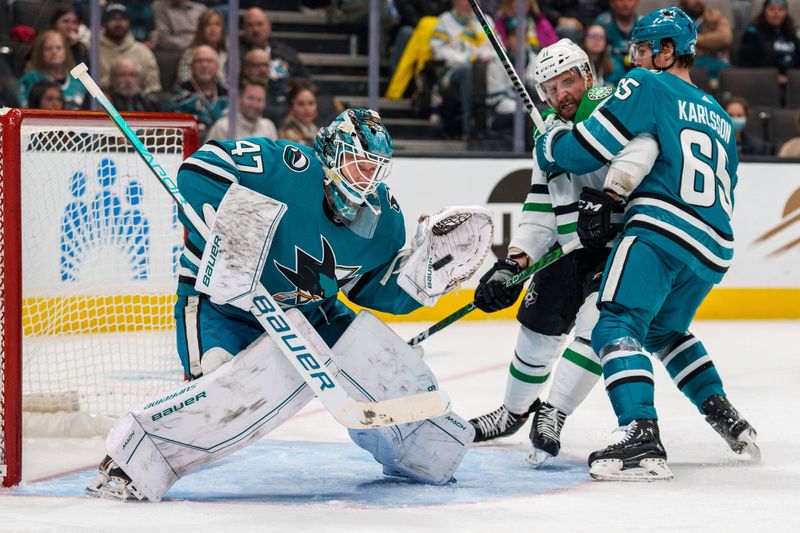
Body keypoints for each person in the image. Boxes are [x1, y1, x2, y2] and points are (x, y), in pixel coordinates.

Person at [86, 108, 488, 501]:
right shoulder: (286, 166)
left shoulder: (383, 220)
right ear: (331, 152)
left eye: (375, 169)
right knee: (222, 387)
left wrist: (420, 283)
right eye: (356, 163)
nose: (365, 179)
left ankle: (423, 449)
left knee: (383, 366)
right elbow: (200, 168)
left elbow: (369, 290)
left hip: (315, 313)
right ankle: (130, 461)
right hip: (226, 305)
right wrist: (230, 228)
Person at [535, 6, 759, 481]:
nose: (635, 60)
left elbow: (580, 153)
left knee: (614, 323)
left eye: (642, 49)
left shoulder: (648, 85)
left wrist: (549, 140)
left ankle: (640, 434)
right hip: (713, 247)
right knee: (663, 333)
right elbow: (730, 185)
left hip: (660, 230)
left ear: (667, 50)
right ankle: (727, 417)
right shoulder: (718, 113)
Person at [469, 39, 657, 466]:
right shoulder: (549, 133)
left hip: (617, 247)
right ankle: (514, 412)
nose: (560, 96)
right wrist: (513, 263)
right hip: (567, 248)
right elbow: (540, 206)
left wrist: (613, 195)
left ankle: (553, 413)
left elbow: (643, 148)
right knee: (536, 329)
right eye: (550, 89)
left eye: (567, 82)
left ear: (588, 76)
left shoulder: (613, 106)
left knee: (596, 328)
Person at [99, 3, 162, 94]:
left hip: (139, 104)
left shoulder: (143, 51)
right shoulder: (93, 51)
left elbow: (153, 87)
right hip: (105, 102)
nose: (118, 23)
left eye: (122, 19)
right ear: (104, 23)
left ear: (129, 22)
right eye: (113, 19)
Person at [17, 30, 87, 109]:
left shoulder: (77, 80)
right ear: (40, 52)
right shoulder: (29, 79)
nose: (54, 51)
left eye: (58, 48)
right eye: (48, 48)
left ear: (66, 51)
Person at [738, 0, 800, 87]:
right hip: (764, 83)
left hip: (792, 83)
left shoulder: (791, 34)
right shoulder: (752, 33)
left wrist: (793, 77)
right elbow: (747, 65)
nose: (776, 13)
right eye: (772, 9)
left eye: (781, 10)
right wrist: (772, 77)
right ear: (764, 11)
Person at [171, 45, 228, 140]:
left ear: (217, 67)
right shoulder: (179, 94)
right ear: (191, 66)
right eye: (199, 61)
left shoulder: (227, 95)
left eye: (209, 61)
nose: (204, 65)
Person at [205, 78, 277, 141]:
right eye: (250, 98)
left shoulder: (269, 127)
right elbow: (206, 155)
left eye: (259, 100)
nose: (255, 104)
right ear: (240, 98)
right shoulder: (222, 127)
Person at [175, 8, 228, 88]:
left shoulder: (228, 53)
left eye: (217, 24)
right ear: (201, 29)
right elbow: (184, 81)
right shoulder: (190, 54)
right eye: (208, 25)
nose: (213, 29)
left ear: (222, 29)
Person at [679, 0, 732, 78]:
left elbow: (726, 38)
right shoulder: (674, 17)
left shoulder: (715, 16)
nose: (698, 1)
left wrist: (693, 38)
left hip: (714, 66)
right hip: (682, 67)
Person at [593, 0, 640, 76]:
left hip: (636, 70)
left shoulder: (642, 24)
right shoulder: (602, 23)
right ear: (611, 2)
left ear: (637, 2)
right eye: (620, 0)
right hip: (607, 73)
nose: (625, 3)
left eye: (630, 0)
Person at [279, 78, 320, 146]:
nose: (307, 109)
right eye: (301, 104)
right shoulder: (286, 134)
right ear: (292, 107)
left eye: (311, 103)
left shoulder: (321, 132)